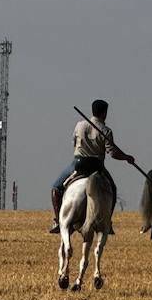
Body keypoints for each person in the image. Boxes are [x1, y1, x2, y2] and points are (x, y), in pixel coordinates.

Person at [49, 100, 135, 233]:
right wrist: (127, 157)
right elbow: (113, 153)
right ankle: (107, 222)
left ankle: (58, 221)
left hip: (78, 164)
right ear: (104, 113)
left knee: (56, 188)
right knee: (112, 189)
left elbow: (74, 142)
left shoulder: (80, 125)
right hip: (97, 166)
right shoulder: (106, 131)